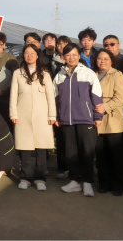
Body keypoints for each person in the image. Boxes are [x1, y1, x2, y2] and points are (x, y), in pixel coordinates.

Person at [54, 44, 103, 197]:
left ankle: (87, 182)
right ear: (63, 57)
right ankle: (75, 181)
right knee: (70, 152)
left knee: (86, 152)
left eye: (74, 54)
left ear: (79, 56)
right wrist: (57, 116)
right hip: (66, 120)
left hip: (85, 119)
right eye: (68, 55)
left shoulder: (88, 73)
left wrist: (98, 117)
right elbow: (55, 99)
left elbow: (97, 96)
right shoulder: (59, 75)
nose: (72, 58)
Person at [9, 44, 56, 191]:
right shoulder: (18, 73)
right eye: (26, 53)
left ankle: (39, 178)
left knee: (41, 148)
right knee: (26, 148)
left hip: (42, 116)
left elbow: (50, 96)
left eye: (32, 53)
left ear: (37, 55)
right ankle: (25, 177)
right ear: (23, 56)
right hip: (22, 115)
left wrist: (52, 115)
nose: (29, 55)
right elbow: (13, 95)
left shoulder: (45, 73)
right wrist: (13, 113)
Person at [94, 48, 123, 196]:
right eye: (100, 58)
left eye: (106, 59)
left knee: (116, 155)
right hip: (97, 121)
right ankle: (104, 183)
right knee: (101, 155)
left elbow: (121, 97)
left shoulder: (116, 74)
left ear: (111, 61)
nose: (102, 61)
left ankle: (119, 184)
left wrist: (106, 107)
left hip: (113, 119)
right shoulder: (93, 75)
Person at [53, 35, 72, 179]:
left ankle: (74, 170)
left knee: (72, 142)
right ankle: (62, 168)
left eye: (64, 44)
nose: (62, 46)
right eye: (59, 44)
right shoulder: (57, 69)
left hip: (76, 111)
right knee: (61, 140)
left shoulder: (82, 67)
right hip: (60, 108)